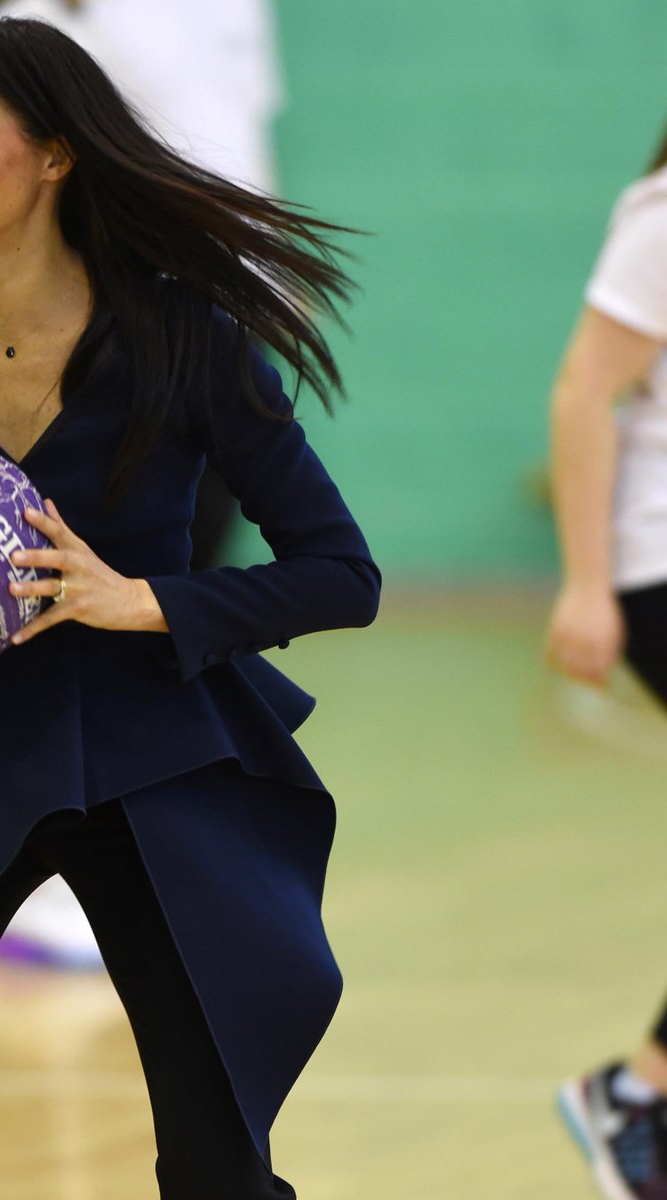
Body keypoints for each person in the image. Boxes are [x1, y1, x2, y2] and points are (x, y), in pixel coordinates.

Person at [0, 18, 380, 1198]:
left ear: (53, 154)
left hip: (148, 770)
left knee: (216, 1161)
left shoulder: (184, 340)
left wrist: (140, 599)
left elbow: (339, 573)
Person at [0, 0, 290, 971]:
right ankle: (46, 871)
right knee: (78, 606)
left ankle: (111, 860)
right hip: (118, 323)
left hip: (218, 306)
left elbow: (233, 132)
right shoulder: (27, 20)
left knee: (162, 608)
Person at [543, 119, 667, 1200]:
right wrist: (587, 582)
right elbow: (586, 389)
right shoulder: (662, 219)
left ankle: (641, 1089)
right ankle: (636, 1093)